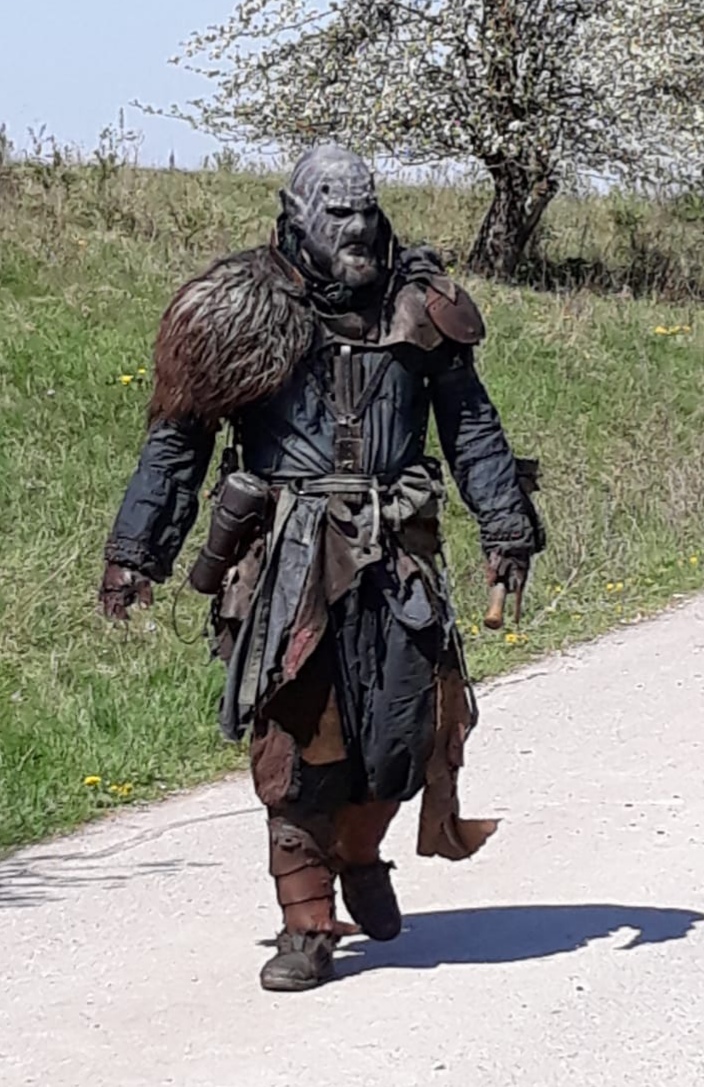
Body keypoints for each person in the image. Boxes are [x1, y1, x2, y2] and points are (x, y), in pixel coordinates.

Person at [99, 143, 545, 992]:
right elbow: (178, 444)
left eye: (365, 210)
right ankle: (305, 924)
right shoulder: (237, 309)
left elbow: (471, 425)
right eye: (337, 213)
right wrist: (135, 554)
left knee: (405, 734)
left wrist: (505, 526)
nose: (357, 228)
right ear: (297, 216)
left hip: (397, 554)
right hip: (287, 562)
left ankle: (360, 853)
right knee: (298, 740)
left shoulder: (421, 304)